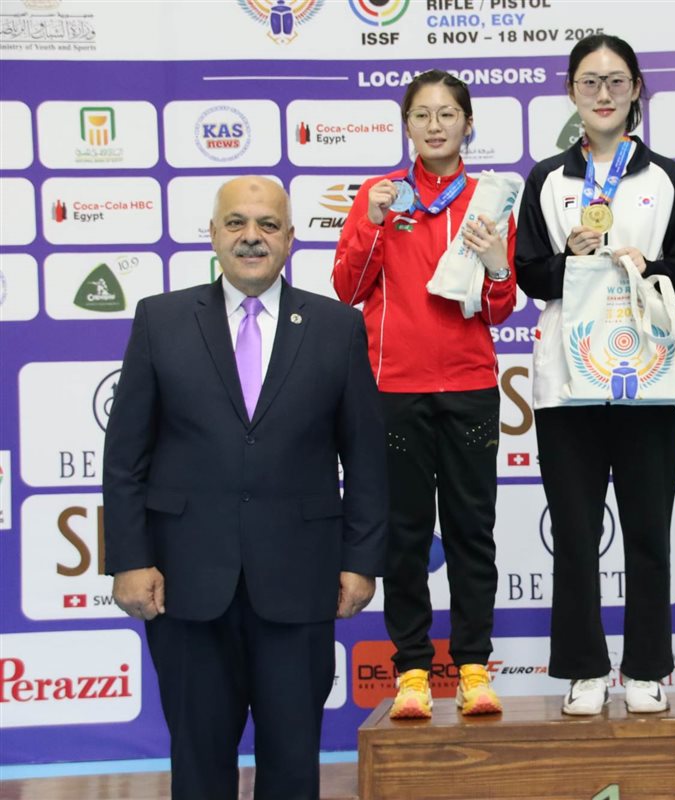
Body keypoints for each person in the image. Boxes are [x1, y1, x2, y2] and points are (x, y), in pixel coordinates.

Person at [103, 176, 387, 800]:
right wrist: (128, 559)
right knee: (199, 765)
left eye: (267, 225)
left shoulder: (338, 326)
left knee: (292, 764)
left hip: (300, 580)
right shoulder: (160, 319)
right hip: (184, 583)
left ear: (290, 238)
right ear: (213, 234)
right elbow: (125, 458)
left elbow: (366, 459)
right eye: (236, 223)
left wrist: (361, 561)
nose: (251, 237)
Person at [516, 34, 675, 716]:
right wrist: (569, 256)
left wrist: (647, 267)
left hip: (646, 378)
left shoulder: (664, 177)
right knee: (574, 532)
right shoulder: (548, 179)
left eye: (616, 81)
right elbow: (528, 273)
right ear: (571, 91)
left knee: (649, 530)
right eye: (590, 82)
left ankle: (648, 668)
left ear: (636, 90)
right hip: (569, 382)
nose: (603, 94)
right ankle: (584, 669)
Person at [332, 69, 516, 719]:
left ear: (468, 123)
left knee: (472, 534)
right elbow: (348, 288)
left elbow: (498, 309)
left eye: (447, 114)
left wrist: (496, 265)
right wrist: (374, 223)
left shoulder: (491, 198)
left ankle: (472, 669)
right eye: (422, 115)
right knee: (404, 537)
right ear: (406, 124)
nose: (435, 126)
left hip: (470, 387)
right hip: (394, 390)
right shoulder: (380, 195)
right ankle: (411, 671)